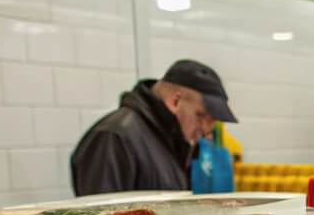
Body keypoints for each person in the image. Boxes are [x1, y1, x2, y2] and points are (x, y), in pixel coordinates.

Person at [71, 60, 237, 196]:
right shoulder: (114, 137)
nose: (206, 130)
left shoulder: (173, 141)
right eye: (200, 115)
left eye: (212, 121)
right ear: (175, 101)